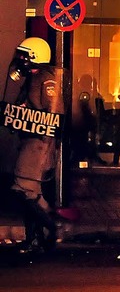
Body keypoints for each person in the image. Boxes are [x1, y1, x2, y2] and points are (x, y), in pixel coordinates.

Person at [7, 37, 67, 253]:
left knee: (23, 190)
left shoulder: (46, 80)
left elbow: (54, 114)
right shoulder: (31, 79)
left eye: (25, 55)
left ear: (35, 57)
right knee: (31, 193)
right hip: (29, 142)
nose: (20, 59)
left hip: (40, 145)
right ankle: (35, 239)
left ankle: (53, 227)